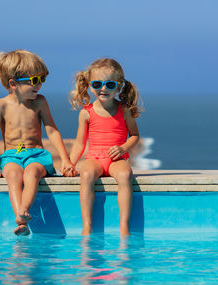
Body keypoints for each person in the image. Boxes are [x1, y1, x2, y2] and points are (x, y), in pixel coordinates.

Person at [0, 49, 75, 236]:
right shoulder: (0, 105)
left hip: (37, 154)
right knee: (13, 175)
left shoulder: (40, 102)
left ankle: (23, 213)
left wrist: (66, 160)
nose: (39, 85)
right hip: (11, 155)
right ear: (13, 83)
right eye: (34, 81)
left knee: (32, 172)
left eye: (42, 80)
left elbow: (51, 130)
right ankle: (22, 221)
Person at [64, 58, 142, 236]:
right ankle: (87, 225)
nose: (103, 88)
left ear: (119, 86)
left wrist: (123, 148)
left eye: (110, 84)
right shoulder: (86, 112)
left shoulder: (124, 110)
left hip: (117, 159)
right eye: (98, 84)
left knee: (125, 175)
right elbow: (79, 142)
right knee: (87, 174)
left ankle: (124, 226)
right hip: (95, 158)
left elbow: (135, 136)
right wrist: (71, 163)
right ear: (91, 86)